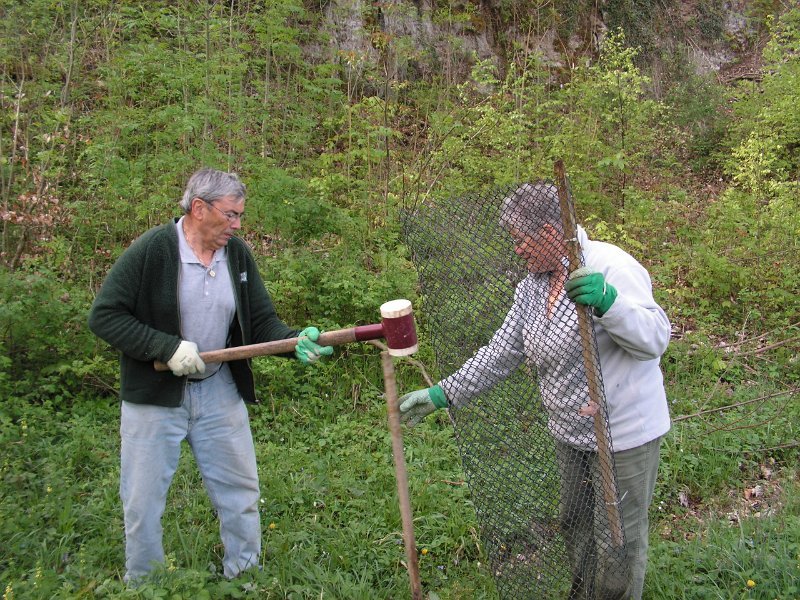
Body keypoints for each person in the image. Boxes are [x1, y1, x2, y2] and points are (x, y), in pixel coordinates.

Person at [398, 182, 671, 600]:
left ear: (548, 232)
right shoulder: (533, 285)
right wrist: (443, 393)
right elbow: (501, 352)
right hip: (570, 434)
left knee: (617, 542)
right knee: (576, 524)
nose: (517, 250)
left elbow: (654, 338)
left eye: (520, 239)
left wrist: (609, 303)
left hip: (621, 436)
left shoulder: (610, 266)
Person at [88, 168, 333, 583]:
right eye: (230, 215)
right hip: (155, 398)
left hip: (218, 391)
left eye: (240, 216)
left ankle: (245, 576)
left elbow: (262, 322)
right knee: (142, 501)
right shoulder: (154, 250)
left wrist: (294, 341)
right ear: (199, 208)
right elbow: (105, 316)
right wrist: (165, 347)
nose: (237, 225)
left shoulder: (236, 255)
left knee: (241, 491)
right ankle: (144, 584)